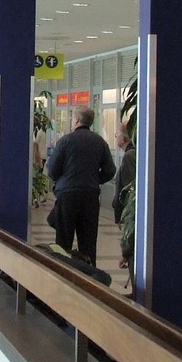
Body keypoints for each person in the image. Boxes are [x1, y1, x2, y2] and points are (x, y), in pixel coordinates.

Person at [44, 106, 117, 265]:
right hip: (90, 196)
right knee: (88, 241)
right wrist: (94, 179)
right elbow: (110, 170)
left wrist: (63, 180)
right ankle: (89, 275)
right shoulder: (100, 142)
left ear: (76, 120)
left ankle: (61, 272)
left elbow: (52, 170)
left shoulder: (65, 141)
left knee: (63, 241)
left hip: (67, 196)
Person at [112, 128, 136, 270]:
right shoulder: (131, 154)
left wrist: (125, 252)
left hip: (130, 217)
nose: (115, 138)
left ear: (124, 138)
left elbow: (130, 194)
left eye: (116, 135)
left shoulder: (129, 157)